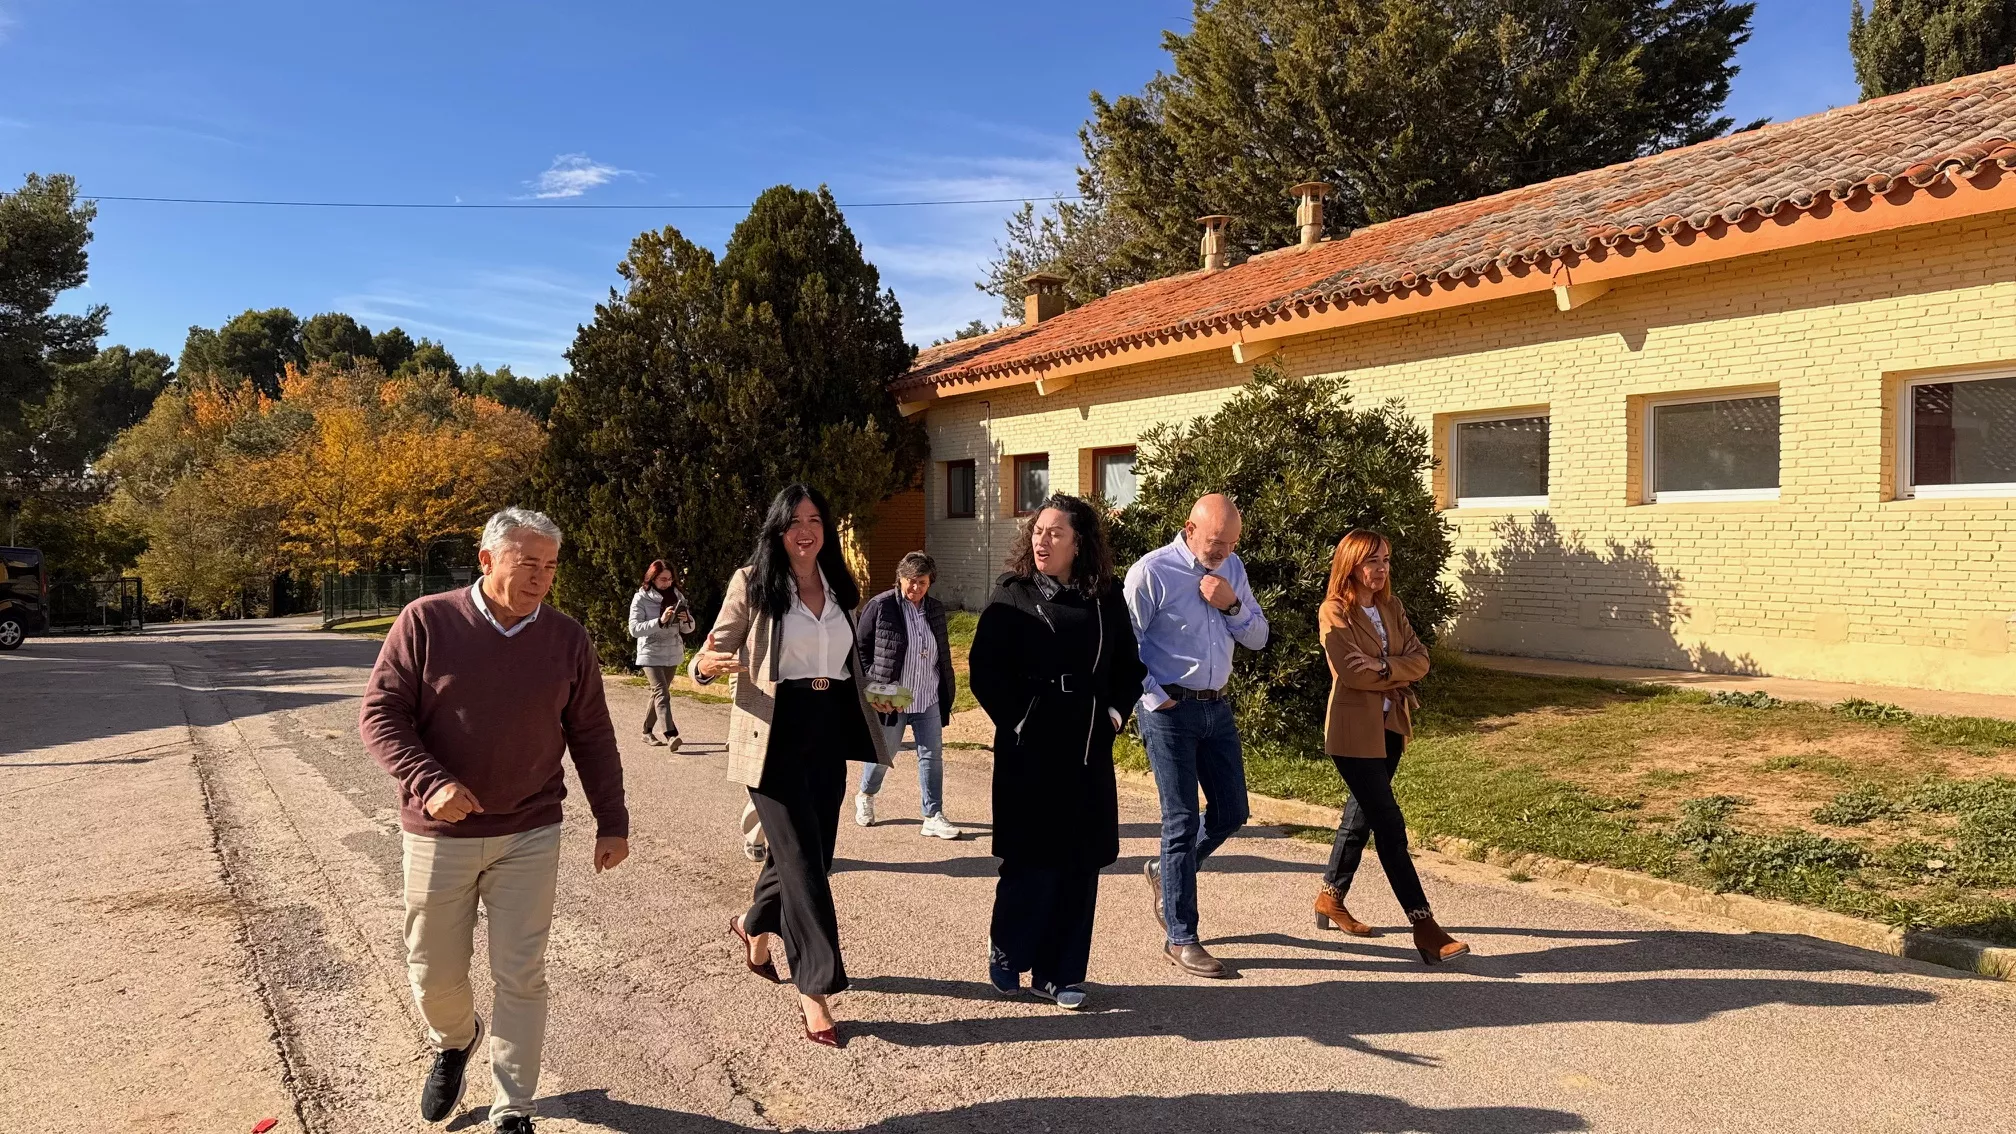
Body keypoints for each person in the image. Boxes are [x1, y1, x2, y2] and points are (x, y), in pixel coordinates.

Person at [360, 507, 629, 1133]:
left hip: (531, 828)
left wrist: (611, 820)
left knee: (522, 972)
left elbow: (591, 734)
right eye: (527, 563)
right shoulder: (426, 622)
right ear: (487, 561)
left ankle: (515, 1106)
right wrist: (429, 784)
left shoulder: (567, 639)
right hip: (441, 833)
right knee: (433, 972)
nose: (540, 578)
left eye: (550, 567)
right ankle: (455, 1040)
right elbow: (380, 715)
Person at [690, 483, 892, 1046]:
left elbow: (847, 659)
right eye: (794, 521)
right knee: (802, 860)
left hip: (828, 728)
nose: (806, 530)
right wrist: (705, 664)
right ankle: (815, 989)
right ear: (778, 531)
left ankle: (753, 925)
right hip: (775, 732)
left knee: (812, 852)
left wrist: (873, 692)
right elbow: (710, 650)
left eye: (815, 520)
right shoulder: (752, 583)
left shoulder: (839, 585)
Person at [968, 494, 1146, 1010]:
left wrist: (1114, 713)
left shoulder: (1105, 597)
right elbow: (985, 669)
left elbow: (1129, 666)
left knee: (1079, 862)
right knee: (1032, 860)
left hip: (1088, 744)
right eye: (1038, 531)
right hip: (1030, 745)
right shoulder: (1013, 593)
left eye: (1055, 533)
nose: (1042, 541)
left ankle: (1059, 972)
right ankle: (1009, 949)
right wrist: (1021, 716)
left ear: (1079, 543)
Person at [1122, 493, 1268, 979]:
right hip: (1169, 711)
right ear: (1189, 528)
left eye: (1230, 543)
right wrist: (1152, 696)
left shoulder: (1234, 570)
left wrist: (1230, 605)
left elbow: (1258, 637)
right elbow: (1126, 645)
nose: (1222, 551)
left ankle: (1167, 874)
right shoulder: (1151, 572)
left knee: (1233, 811)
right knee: (1180, 821)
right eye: (1214, 541)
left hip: (1216, 709)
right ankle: (1181, 936)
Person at [1316, 529, 1469, 964]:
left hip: (1390, 725)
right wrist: (1394, 670)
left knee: (1360, 815)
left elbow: (1421, 659)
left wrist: (1385, 665)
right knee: (1389, 824)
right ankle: (1425, 927)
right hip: (1352, 732)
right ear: (1351, 565)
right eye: (1372, 562)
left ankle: (1330, 896)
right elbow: (1351, 673)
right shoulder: (1334, 611)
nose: (1381, 569)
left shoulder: (1392, 606)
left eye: (1385, 560)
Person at [854, 551, 962, 838]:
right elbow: (859, 650)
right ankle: (866, 795)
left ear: (930, 583)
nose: (916, 588)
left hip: (927, 692)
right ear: (900, 579)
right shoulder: (880, 606)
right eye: (911, 581)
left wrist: (946, 687)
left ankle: (933, 814)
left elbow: (942, 651)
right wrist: (874, 688)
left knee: (931, 754)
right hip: (893, 695)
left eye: (922, 582)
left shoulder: (935, 609)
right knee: (885, 752)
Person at [629, 558, 696, 750]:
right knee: (661, 692)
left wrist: (687, 619)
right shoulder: (640, 598)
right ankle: (671, 734)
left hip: (672, 651)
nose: (667, 583)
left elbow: (688, 629)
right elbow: (634, 629)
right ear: (652, 578)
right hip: (650, 652)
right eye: (662, 579)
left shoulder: (678, 596)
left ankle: (646, 731)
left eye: (669, 579)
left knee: (659, 693)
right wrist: (659, 621)